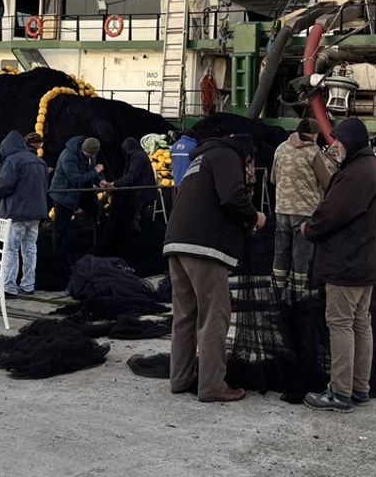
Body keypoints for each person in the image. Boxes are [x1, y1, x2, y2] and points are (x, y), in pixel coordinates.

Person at [162, 133, 264, 403]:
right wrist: (255, 216)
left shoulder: (202, 158)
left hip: (176, 242)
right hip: (205, 247)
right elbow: (231, 196)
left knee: (184, 316)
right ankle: (212, 385)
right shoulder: (228, 155)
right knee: (214, 316)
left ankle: (180, 379)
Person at [302, 118, 376, 413]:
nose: (333, 146)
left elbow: (331, 214)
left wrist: (308, 229)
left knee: (340, 324)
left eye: (337, 141)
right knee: (360, 323)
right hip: (367, 263)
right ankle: (359, 388)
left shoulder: (355, 175)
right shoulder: (371, 170)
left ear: (350, 142)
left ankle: (339, 393)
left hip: (347, 264)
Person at [269, 118, 330, 301]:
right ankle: (296, 296)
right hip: (305, 212)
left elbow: (273, 178)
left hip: (282, 210)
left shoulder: (281, 148)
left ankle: (277, 294)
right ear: (314, 135)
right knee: (300, 256)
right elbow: (326, 182)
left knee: (280, 253)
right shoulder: (313, 151)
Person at [0, 131, 49, 298]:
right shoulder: (40, 162)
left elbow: (4, 186)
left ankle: (9, 287)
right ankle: (28, 285)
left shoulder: (12, 160)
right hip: (36, 212)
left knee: (11, 250)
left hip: (16, 212)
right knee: (30, 249)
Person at [50, 136, 107, 217]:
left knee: (99, 215)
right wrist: (95, 171)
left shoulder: (92, 155)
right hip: (65, 194)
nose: (90, 156)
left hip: (83, 192)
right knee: (61, 226)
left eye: (92, 154)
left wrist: (98, 181)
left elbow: (88, 170)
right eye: (88, 154)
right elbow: (77, 179)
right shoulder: (68, 157)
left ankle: (100, 228)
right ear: (82, 149)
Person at [110, 137, 158, 230]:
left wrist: (115, 183)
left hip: (143, 195)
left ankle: (147, 240)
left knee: (143, 222)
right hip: (147, 193)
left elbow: (132, 176)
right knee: (144, 222)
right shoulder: (140, 155)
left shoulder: (137, 157)